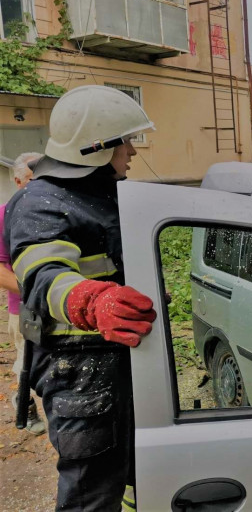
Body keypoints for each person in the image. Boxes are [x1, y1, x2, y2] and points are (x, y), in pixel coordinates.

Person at [4, 85, 157, 512]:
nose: (132, 150)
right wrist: (92, 301)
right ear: (97, 146)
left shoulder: (103, 195)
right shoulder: (41, 202)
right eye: (125, 140)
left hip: (121, 360)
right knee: (90, 492)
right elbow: (41, 273)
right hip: (80, 372)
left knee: (131, 467)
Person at [0, 152, 45, 435]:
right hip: (24, 307)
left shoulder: (55, 212)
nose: (41, 186)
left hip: (58, 305)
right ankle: (25, 404)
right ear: (18, 182)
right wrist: (41, 289)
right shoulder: (3, 215)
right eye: (33, 180)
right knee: (24, 361)